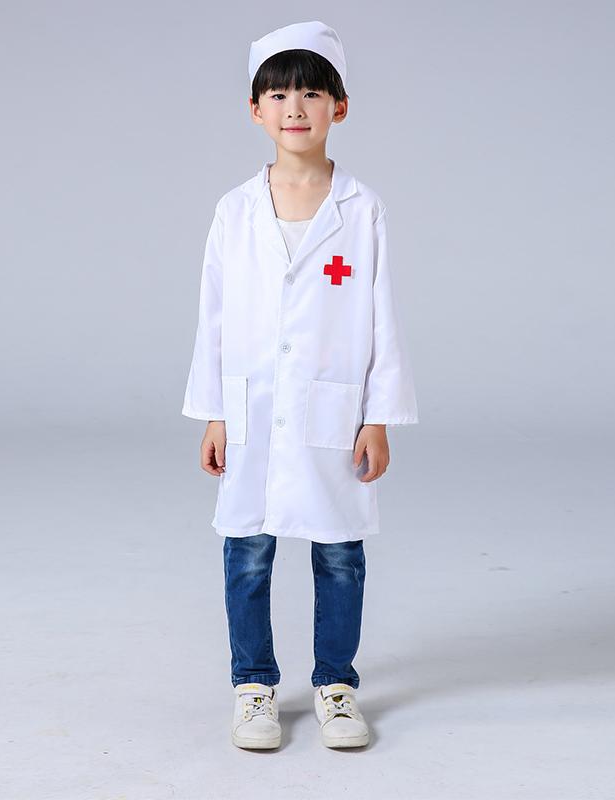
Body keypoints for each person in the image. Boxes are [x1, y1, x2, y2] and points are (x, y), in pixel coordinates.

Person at [181, 20, 419, 750]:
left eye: (312, 94)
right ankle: (253, 685)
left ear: (338, 107)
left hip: (333, 410)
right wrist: (214, 412)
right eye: (279, 95)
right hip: (251, 406)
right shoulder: (235, 210)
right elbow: (213, 315)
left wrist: (377, 416)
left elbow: (381, 315)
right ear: (254, 109)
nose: (295, 108)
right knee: (246, 548)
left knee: (339, 550)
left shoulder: (362, 209)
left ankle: (336, 686)